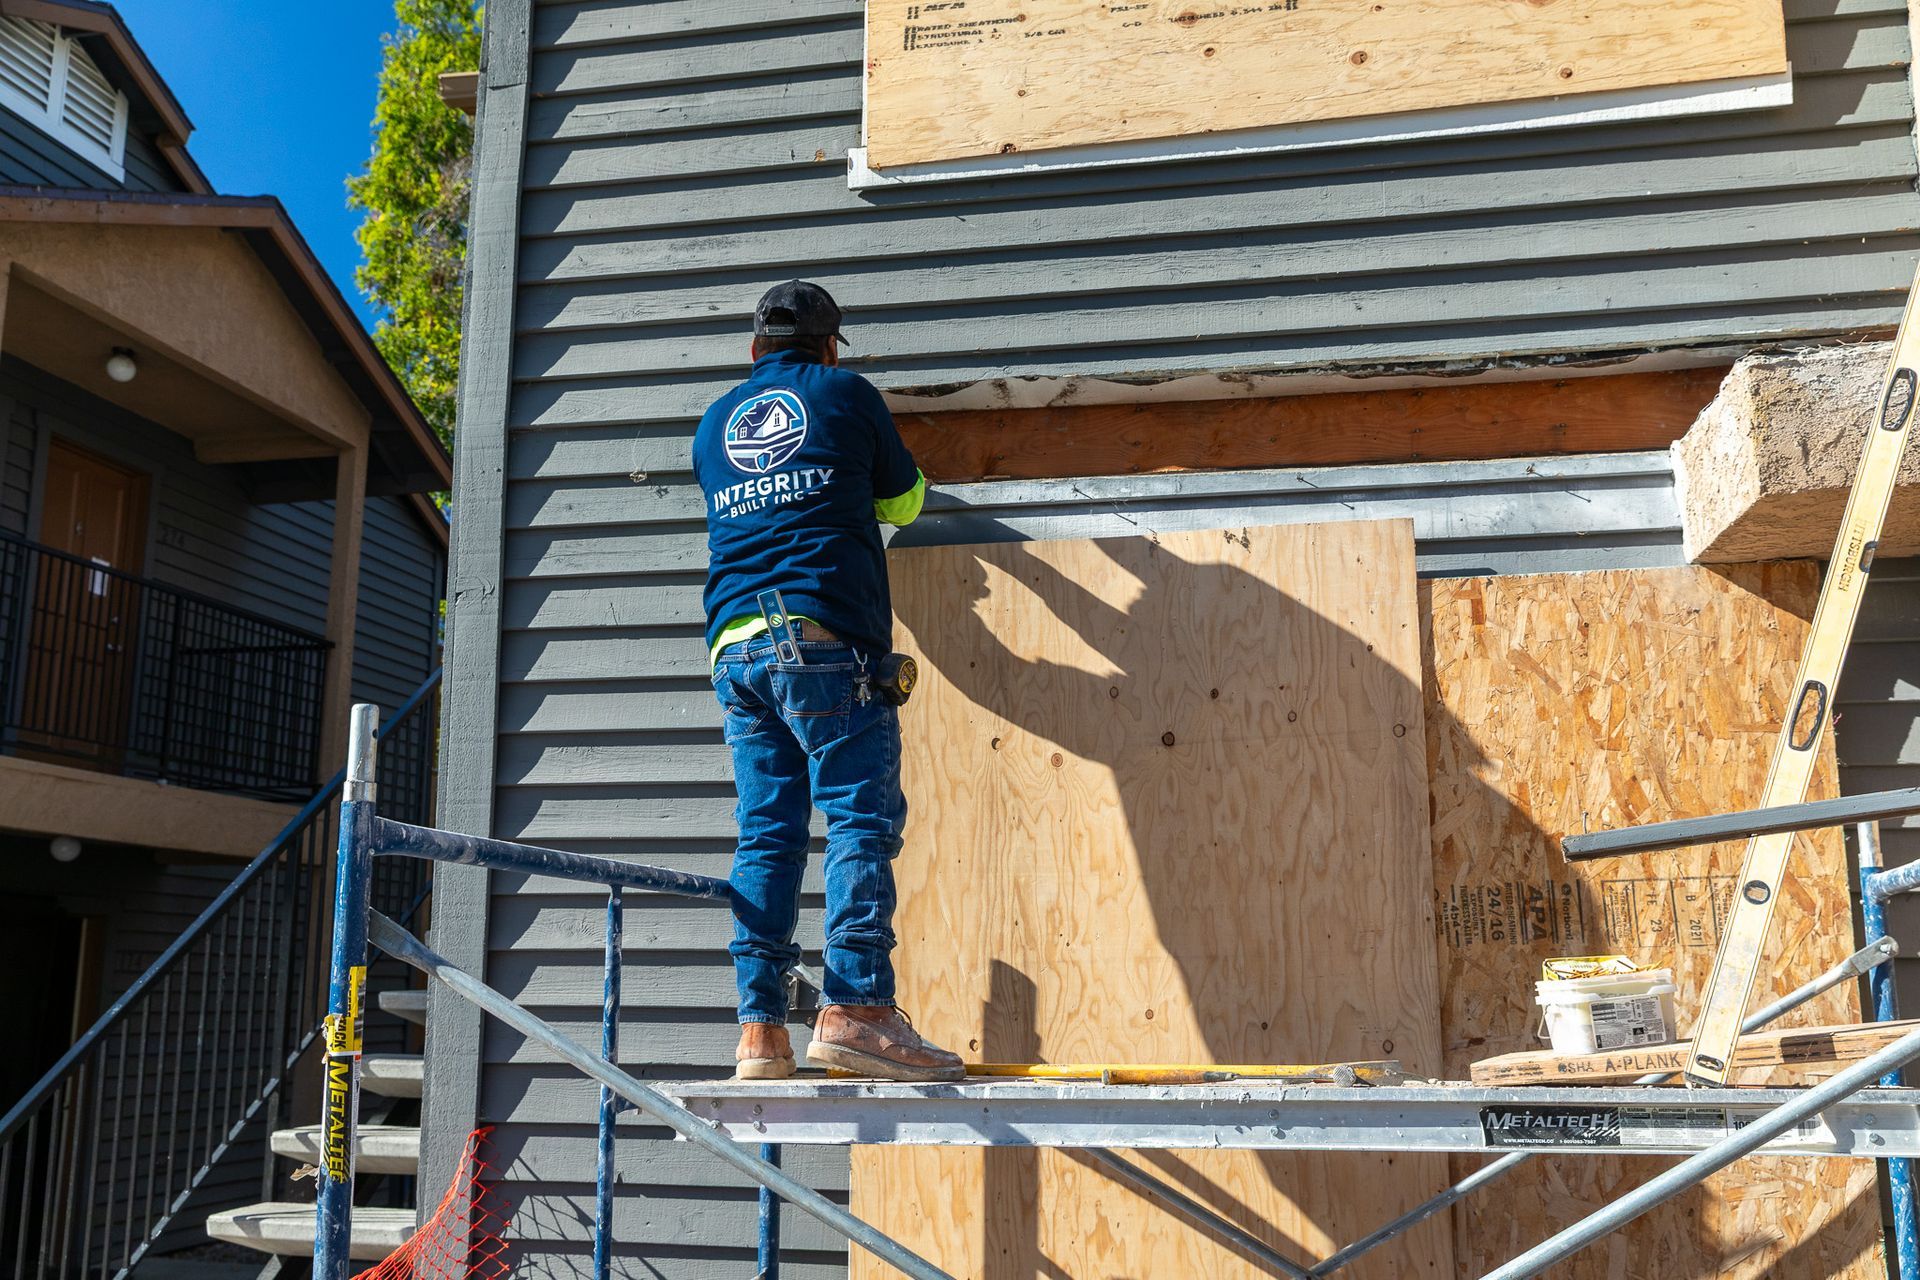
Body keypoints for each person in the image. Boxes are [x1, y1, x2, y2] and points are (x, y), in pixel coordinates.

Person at [693, 280, 964, 1083]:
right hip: (818, 635)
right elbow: (906, 503)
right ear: (830, 346)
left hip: (734, 648)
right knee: (857, 819)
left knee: (768, 834)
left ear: (754, 351)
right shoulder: (845, 393)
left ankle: (760, 1032)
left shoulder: (715, 425)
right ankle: (857, 1010)